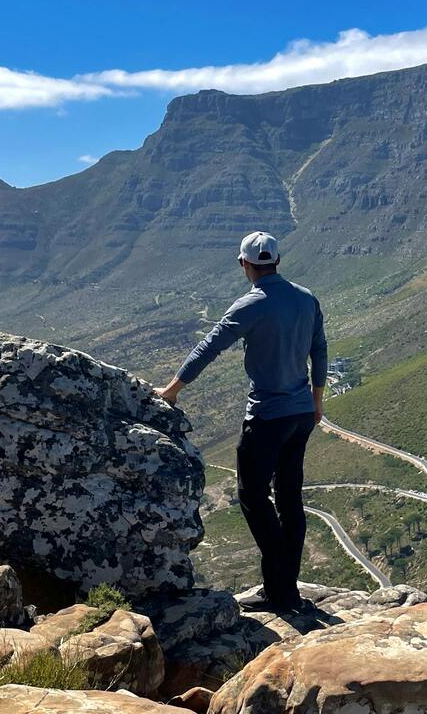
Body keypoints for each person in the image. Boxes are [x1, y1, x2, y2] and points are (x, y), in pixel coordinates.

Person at [155, 230, 328, 613]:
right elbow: (319, 348)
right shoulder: (306, 298)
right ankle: (286, 587)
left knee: (252, 496)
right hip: (301, 414)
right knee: (289, 498)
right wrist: (317, 402)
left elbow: (209, 347)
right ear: (278, 261)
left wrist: (171, 390)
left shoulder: (251, 304)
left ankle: (279, 587)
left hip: (267, 416)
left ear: (244, 264)